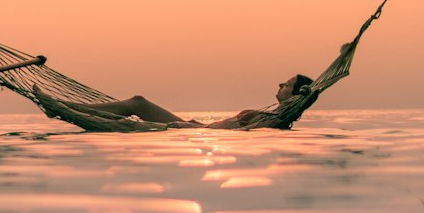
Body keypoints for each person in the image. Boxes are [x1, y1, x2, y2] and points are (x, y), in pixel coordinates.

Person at [52, 74, 314, 129]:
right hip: (190, 127)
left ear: (296, 93)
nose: (280, 84)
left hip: (184, 131)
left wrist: (308, 94)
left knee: (130, 116)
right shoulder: (269, 116)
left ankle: (67, 109)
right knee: (137, 102)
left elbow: (305, 99)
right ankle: (69, 108)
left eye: (286, 84)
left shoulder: (275, 121)